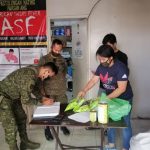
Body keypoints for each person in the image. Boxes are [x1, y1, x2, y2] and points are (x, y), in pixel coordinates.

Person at [78, 45, 133, 150]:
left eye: (103, 59)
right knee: (110, 121)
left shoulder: (121, 68)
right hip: (111, 98)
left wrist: (105, 98)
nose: (101, 61)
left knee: (125, 124)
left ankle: (126, 147)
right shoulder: (101, 66)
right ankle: (111, 144)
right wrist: (84, 90)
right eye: (99, 58)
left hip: (124, 99)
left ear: (111, 57)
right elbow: (94, 80)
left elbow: (122, 88)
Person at [0, 62, 58, 150]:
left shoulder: (36, 73)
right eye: (48, 75)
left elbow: (34, 89)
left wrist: (43, 98)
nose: (47, 77)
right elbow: (26, 100)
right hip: (4, 97)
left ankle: (25, 142)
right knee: (11, 124)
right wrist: (42, 103)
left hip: (14, 97)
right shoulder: (30, 76)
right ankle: (13, 147)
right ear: (46, 71)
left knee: (22, 118)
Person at [39, 39, 70, 141]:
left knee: (62, 109)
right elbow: (40, 76)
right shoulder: (44, 59)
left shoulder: (62, 59)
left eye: (59, 50)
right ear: (52, 47)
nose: (57, 52)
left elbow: (64, 72)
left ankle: (62, 126)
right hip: (49, 90)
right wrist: (42, 92)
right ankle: (47, 130)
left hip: (61, 90)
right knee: (48, 112)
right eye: (55, 50)